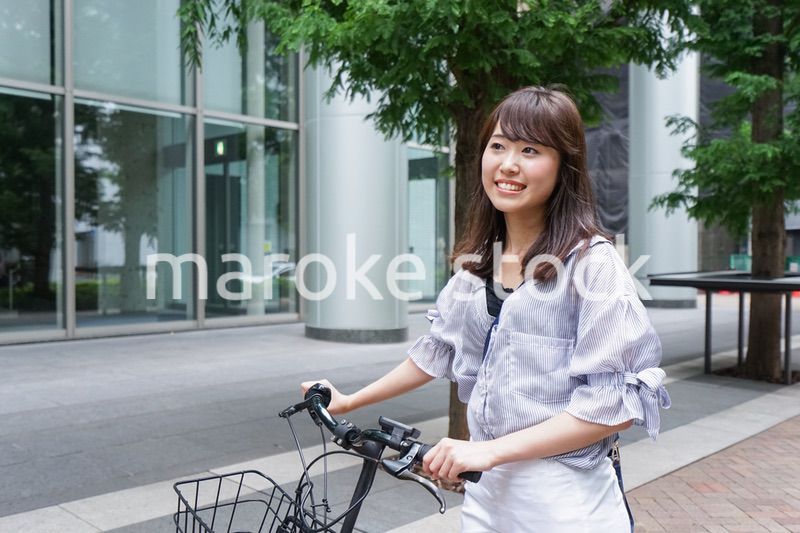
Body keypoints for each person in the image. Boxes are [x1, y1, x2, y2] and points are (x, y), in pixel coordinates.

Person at [302, 86, 670, 532]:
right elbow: (436, 351)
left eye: (530, 150)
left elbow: (613, 405)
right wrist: (349, 400)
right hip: (485, 496)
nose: (508, 164)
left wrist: (487, 450)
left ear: (563, 165)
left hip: (564, 499)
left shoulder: (592, 264)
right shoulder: (478, 266)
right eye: (498, 146)